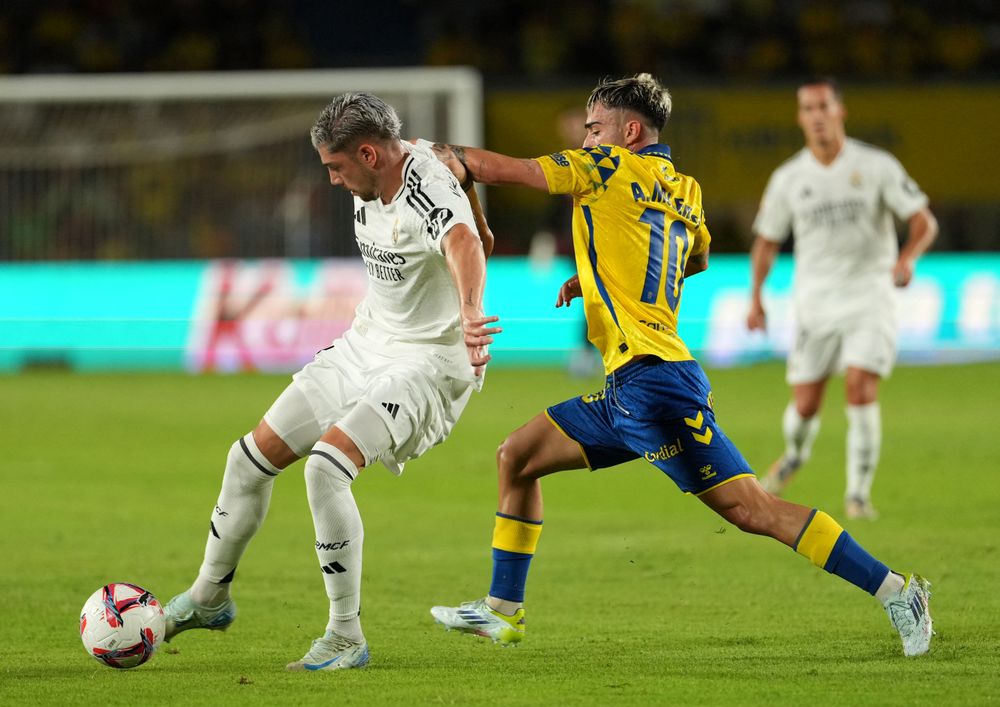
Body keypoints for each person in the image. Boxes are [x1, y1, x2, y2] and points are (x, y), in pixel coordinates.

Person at [427, 73, 933, 657]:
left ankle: (897, 590)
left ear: (629, 131)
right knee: (516, 456)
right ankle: (502, 611)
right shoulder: (684, 189)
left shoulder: (605, 168)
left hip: (652, 385)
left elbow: (503, 169)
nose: (587, 139)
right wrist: (594, 272)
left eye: (595, 129)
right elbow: (688, 259)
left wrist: (446, 156)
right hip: (637, 383)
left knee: (753, 510)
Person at [161, 92, 500, 671]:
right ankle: (207, 597)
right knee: (246, 461)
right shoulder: (395, 174)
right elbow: (477, 221)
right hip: (364, 343)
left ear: (368, 153)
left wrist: (471, 312)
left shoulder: (423, 185)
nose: (335, 181)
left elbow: (464, 243)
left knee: (325, 469)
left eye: (336, 168)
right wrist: (478, 212)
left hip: (427, 365)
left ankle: (346, 637)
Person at [747, 77, 938, 519]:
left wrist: (907, 259)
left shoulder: (876, 165)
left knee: (859, 386)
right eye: (807, 109)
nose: (816, 116)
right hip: (815, 300)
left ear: (840, 111)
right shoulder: (789, 178)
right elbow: (767, 242)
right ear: (800, 118)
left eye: (823, 107)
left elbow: (923, 221)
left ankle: (857, 495)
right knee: (806, 402)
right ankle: (794, 455)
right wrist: (755, 298)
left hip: (871, 294)